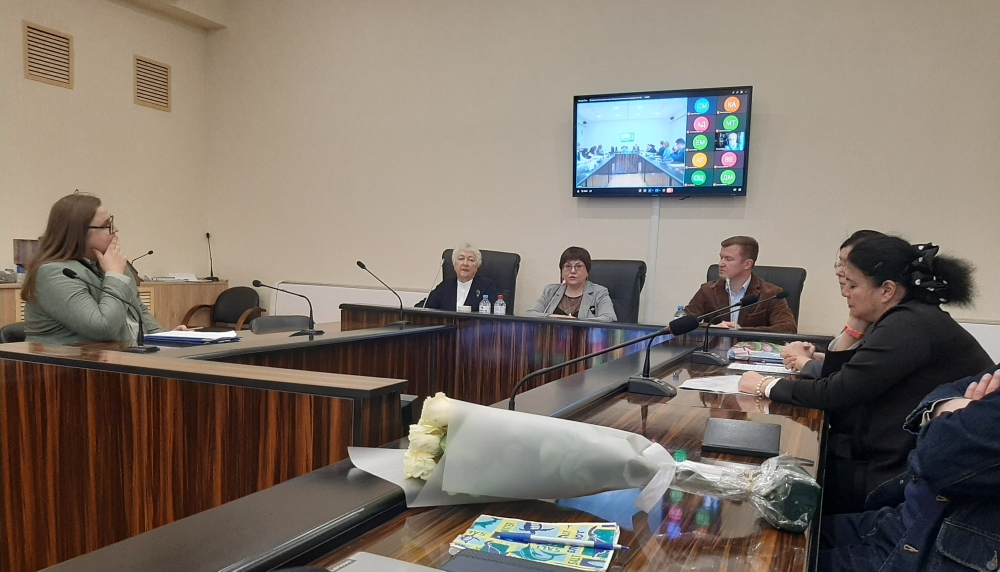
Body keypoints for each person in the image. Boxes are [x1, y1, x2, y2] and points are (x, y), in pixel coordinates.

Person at [738, 236, 992, 514]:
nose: (845, 293)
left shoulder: (908, 324)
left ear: (887, 290)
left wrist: (765, 385)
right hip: (891, 456)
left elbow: (835, 392)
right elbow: (844, 378)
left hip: (901, 474)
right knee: (782, 466)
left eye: (853, 285)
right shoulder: (907, 317)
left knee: (780, 485)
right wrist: (855, 324)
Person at [818, 363, 1000, 571]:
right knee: (791, 524)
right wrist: (951, 409)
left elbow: (936, 454)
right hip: (905, 515)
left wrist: (951, 413)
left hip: (931, 548)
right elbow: (943, 392)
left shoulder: (914, 339)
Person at [21, 193, 176, 345]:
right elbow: (103, 328)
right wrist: (115, 275)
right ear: (79, 232)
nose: (115, 229)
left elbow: (139, 312)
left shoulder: (112, 263)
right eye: (106, 225)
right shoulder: (54, 273)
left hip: (125, 355)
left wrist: (168, 338)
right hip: (74, 360)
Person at [782, 230, 884, 377]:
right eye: (839, 264)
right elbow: (846, 365)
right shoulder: (862, 314)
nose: (839, 272)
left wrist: (802, 361)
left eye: (847, 265)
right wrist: (816, 358)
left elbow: (846, 379)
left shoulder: (889, 325)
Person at [683, 236, 797, 332]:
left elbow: (788, 328)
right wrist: (714, 328)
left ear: (747, 264)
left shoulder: (771, 294)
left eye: (728, 259)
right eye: (721, 258)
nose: (721, 264)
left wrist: (740, 331)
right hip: (715, 349)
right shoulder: (707, 290)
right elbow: (683, 321)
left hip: (751, 350)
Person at [525, 246, 616, 322]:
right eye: (567, 266)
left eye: (579, 266)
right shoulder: (551, 291)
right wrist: (555, 317)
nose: (572, 271)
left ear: (587, 272)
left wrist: (576, 321)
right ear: (561, 272)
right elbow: (530, 314)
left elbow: (609, 318)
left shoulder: (599, 292)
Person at [422, 243, 498, 312]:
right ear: (454, 264)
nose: (465, 264)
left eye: (471, 260)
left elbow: (494, 315)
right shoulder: (446, 285)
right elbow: (423, 307)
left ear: (477, 266)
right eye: (461, 259)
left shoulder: (487, 286)